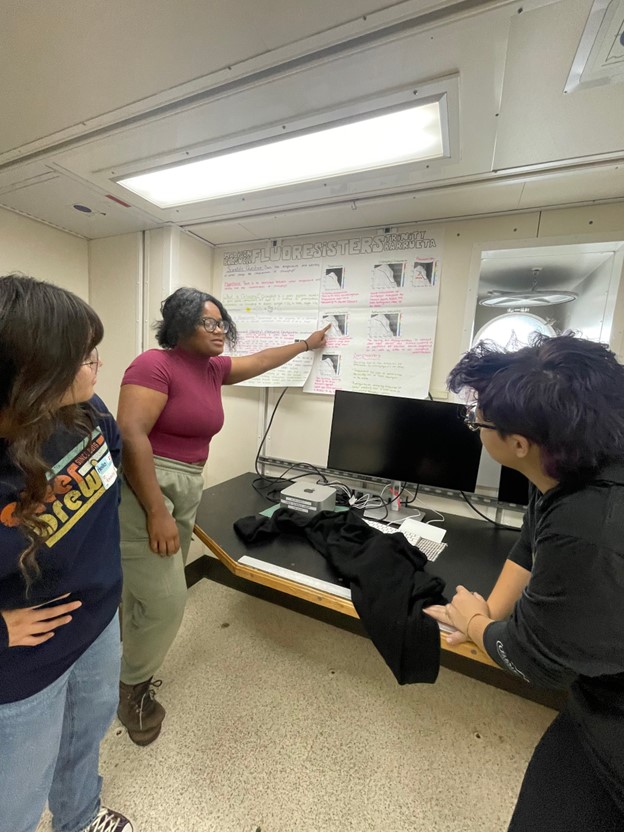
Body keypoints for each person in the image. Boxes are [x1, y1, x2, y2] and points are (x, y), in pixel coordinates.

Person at [424, 334, 624, 832]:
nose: (475, 427)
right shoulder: (574, 459)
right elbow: (532, 541)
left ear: (517, 444)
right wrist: (490, 612)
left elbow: (538, 662)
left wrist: (472, 623)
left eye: (479, 420)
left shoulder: (590, 527)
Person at [116, 287, 329, 745]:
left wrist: (305, 344)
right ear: (179, 325)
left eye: (221, 323)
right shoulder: (154, 364)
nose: (218, 331)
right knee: (167, 600)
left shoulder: (212, 369)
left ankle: (118, 664)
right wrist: (156, 511)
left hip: (187, 483)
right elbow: (131, 435)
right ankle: (130, 690)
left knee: (146, 588)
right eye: (207, 322)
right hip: (148, 487)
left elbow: (262, 361)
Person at [0, 275, 132, 832]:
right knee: (17, 798)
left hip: (97, 621)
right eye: (82, 356)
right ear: (31, 373)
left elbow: (108, 485)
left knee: (84, 744)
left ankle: (79, 819)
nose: (97, 364)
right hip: (23, 659)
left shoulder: (88, 413)